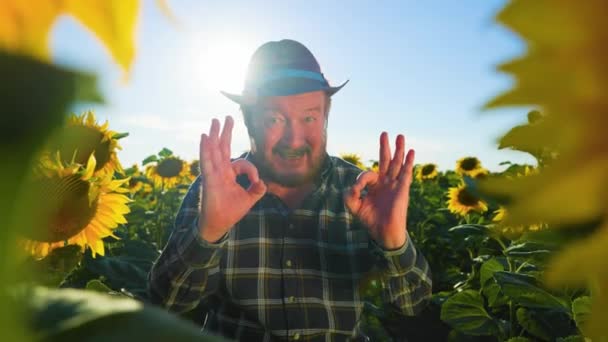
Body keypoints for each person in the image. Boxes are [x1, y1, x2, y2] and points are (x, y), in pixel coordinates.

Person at [148, 39, 432, 341]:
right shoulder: (217, 187)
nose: (294, 139)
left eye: (309, 117)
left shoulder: (362, 192)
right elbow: (166, 304)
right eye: (275, 119)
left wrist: (393, 242)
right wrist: (208, 234)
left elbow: (412, 305)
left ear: (325, 117)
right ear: (249, 121)